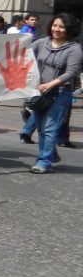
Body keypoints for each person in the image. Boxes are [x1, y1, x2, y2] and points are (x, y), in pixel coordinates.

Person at [28, 13, 82, 173]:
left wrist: (50, 84)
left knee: (49, 129)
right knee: (40, 128)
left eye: (61, 26)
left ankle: (43, 161)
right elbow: (21, 49)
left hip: (60, 93)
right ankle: (51, 154)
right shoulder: (41, 43)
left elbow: (71, 72)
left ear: (69, 29)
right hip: (39, 92)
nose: (56, 29)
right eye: (54, 25)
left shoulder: (75, 49)